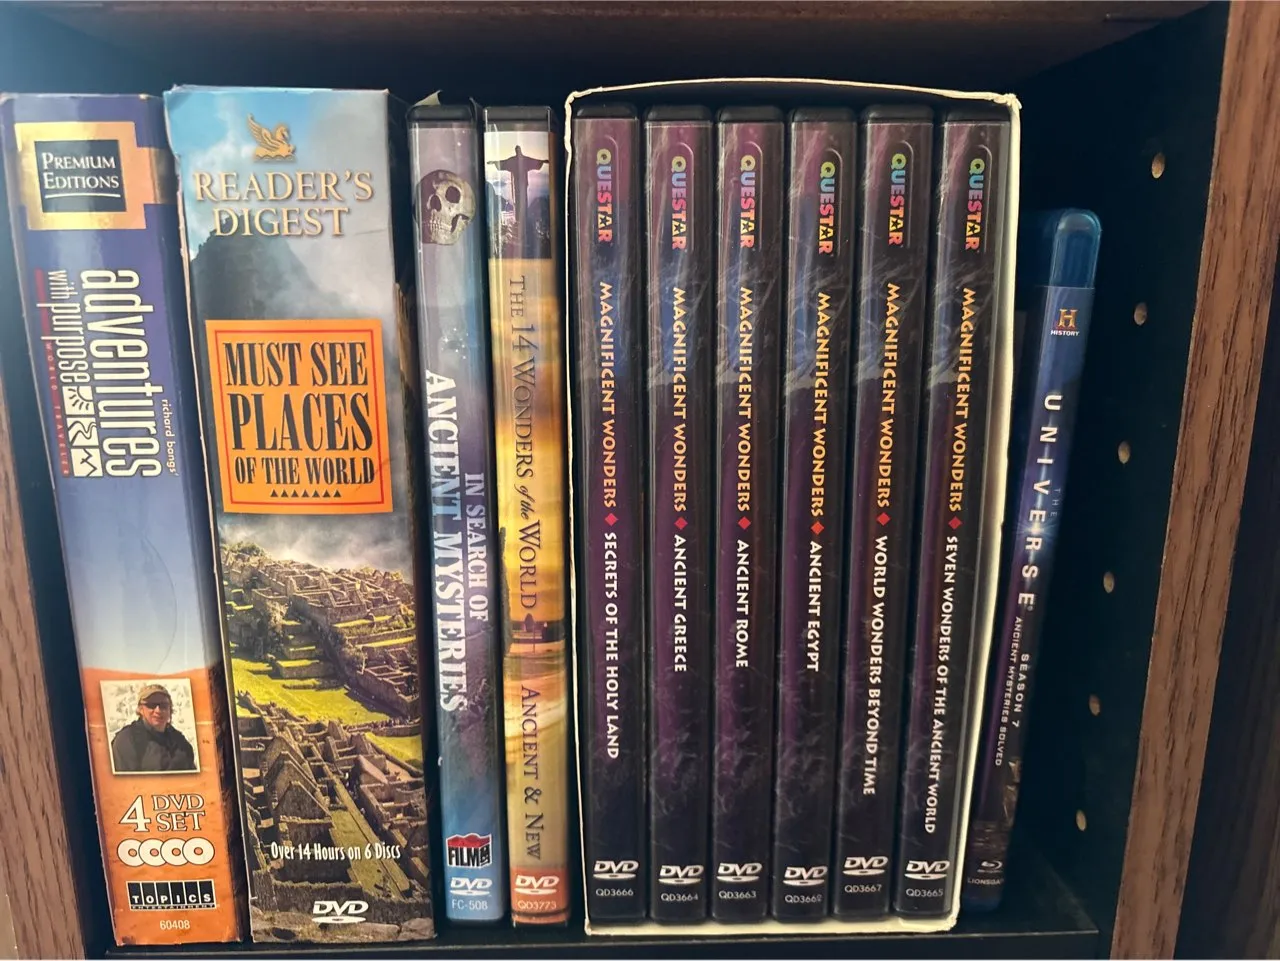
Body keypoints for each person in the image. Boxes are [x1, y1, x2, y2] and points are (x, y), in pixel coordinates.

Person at [110, 684, 197, 774]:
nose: (158, 710)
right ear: (140, 709)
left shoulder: (180, 742)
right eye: (151, 705)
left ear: (170, 709)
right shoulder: (127, 740)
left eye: (163, 705)